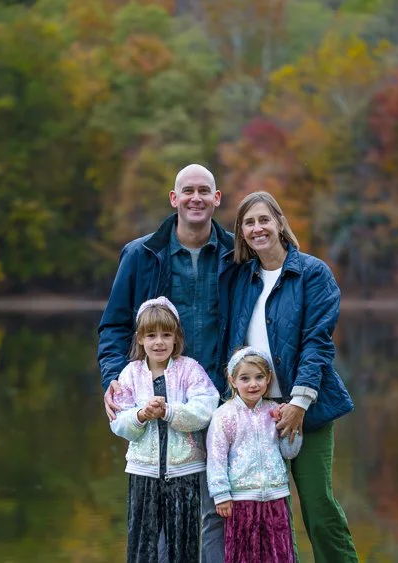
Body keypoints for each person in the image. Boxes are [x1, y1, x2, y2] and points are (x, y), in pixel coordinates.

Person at [99, 164, 235, 562]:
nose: (196, 198)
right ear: (174, 199)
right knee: (159, 514)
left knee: (219, 509)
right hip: (159, 405)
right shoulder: (142, 255)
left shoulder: (235, 254)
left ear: (216, 199)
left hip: (222, 399)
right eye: (187, 191)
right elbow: (114, 325)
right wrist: (113, 379)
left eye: (204, 191)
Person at [224, 191, 358, 562]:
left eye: (264, 219)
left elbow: (318, 343)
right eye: (248, 223)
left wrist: (299, 402)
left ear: (280, 223)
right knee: (265, 515)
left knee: (318, 509)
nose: (257, 228)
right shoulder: (241, 277)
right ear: (242, 233)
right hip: (253, 414)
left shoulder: (312, 273)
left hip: (305, 412)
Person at [110, 297, 220, 563]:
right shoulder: (130, 374)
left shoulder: (189, 370)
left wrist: (170, 411)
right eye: (151, 335)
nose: (159, 342)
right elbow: (119, 421)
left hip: (184, 472)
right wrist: (140, 415)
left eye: (166, 335)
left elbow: (206, 409)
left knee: (183, 544)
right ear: (140, 339)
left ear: (176, 338)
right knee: (142, 543)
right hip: (143, 471)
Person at [207, 346, 300, 563]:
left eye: (259, 377)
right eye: (245, 378)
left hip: (275, 497)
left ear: (268, 379)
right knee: (244, 556)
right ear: (232, 380)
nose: (253, 384)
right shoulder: (224, 415)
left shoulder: (274, 411)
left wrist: (289, 426)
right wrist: (221, 494)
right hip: (241, 500)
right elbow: (216, 457)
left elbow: (290, 452)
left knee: (277, 554)